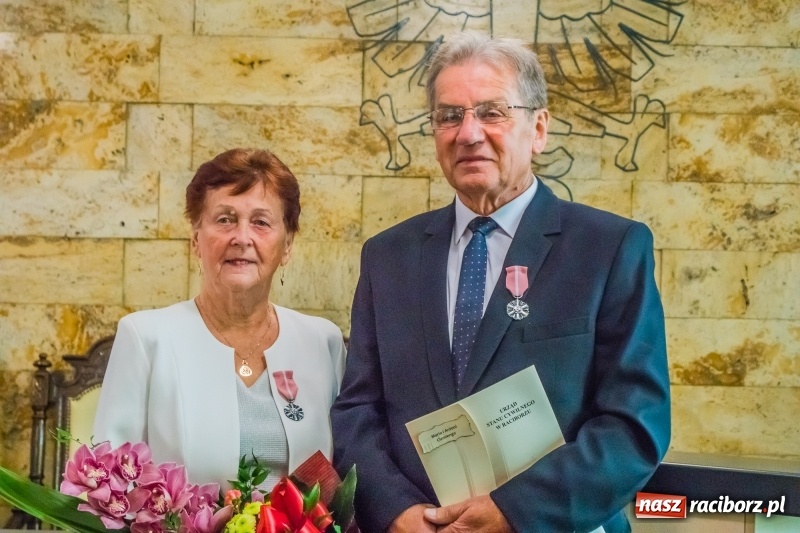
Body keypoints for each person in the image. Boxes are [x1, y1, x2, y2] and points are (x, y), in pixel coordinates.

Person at [330, 32, 670, 533]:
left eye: (492, 112)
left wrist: (514, 512)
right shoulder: (388, 257)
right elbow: (358, 410)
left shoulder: (608, 249)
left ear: (539, 129)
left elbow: (635, 424)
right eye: (450, 115)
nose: (468, 133)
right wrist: (396, 512)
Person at [94, 148, 346, 489]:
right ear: (196, 239)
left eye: (260, 222)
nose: (241, 238)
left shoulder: (323, 343)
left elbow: (345, 475)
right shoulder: (145, 338)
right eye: (225, 219)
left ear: (287, 244)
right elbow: (110, 487)